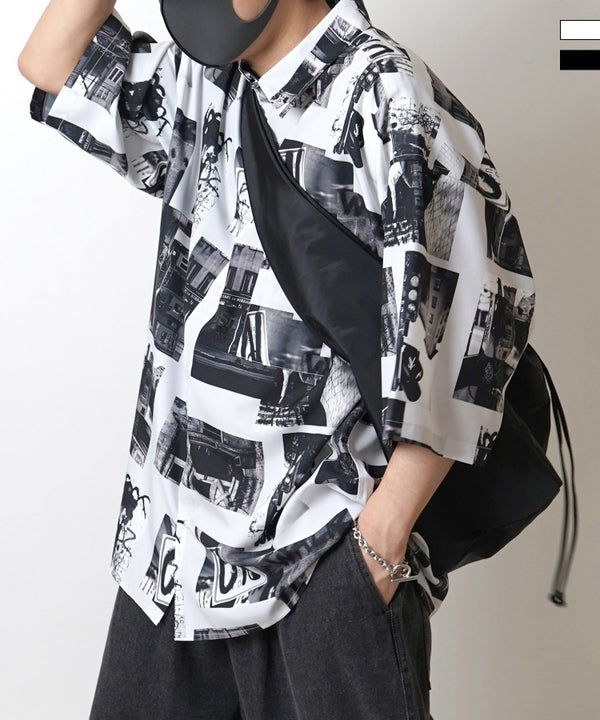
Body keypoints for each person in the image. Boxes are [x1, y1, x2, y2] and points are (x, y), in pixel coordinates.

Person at [18, 1, 536, 718]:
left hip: (318, 566)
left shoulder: (388, 94)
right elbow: (51, 61)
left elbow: (475, 332)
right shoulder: (206, 83)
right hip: (171, 566)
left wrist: (375, 551)